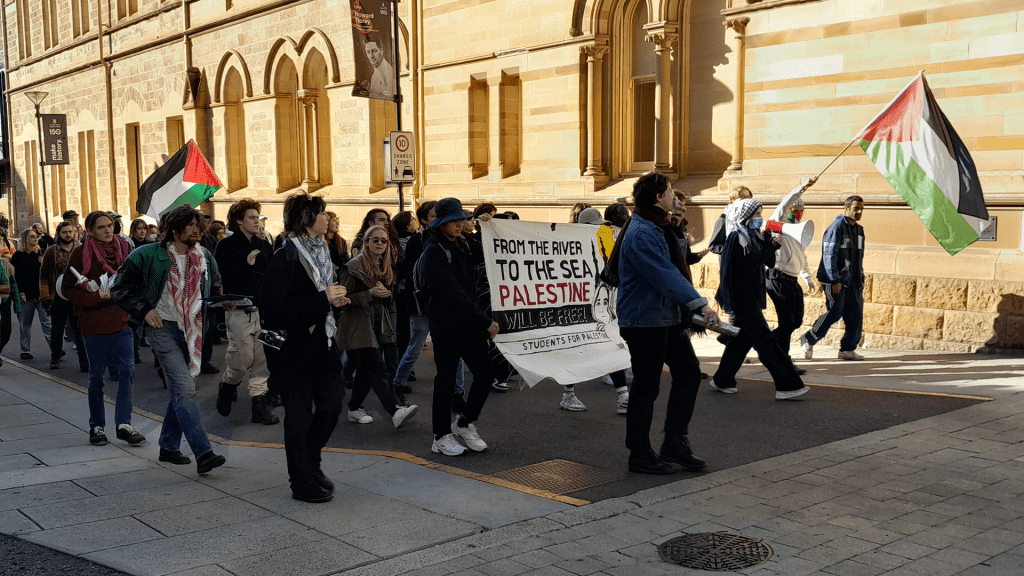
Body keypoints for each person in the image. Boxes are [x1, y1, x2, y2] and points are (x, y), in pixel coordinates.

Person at [612, 173, 718, 475]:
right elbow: (664, 275)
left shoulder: (659, 226)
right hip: (645, 320)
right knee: (647, 386)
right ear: (658, 197)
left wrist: (680, 232)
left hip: (665, 317)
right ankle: (639, 453)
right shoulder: (642, 232)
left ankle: (674, 442)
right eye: (670, 191)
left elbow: (677, 262)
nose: (675, 195)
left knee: (688, 374)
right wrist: (700, 304)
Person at [113, 204, 227, 475]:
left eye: (198, 225)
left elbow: (217, 287)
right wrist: (144, 310)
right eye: (190, 226)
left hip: (193, 330)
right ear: (174, 229)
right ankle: (204, 452)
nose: (197, 230)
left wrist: (222, 303)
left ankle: (168, 446)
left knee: (180, 389)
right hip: (162, 328)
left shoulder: (205, 257)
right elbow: (119, 289)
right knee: (186, 389)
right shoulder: (147, 255)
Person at [261, 193, 349, 503]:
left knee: (332, 405)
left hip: (322, 343)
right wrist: (324, 299)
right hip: (292, 351)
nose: (328, 218)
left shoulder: (323, 251)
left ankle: (310, 463)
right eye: (322, 214)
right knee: (298, 417)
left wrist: (334, 304)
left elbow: (319, 299)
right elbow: (280, 309)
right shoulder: (285, 256)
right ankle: (301, 481)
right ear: (306, 220)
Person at [420, 198, 500, 456]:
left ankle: (464, 423)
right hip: (446, 326)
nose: (458, 225)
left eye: (461, 219)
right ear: (441, 224)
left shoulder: (463, 243)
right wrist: (485, 322)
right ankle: (440, 435)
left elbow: (488, 251)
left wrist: (485, 227)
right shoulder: (434, 251)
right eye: (453, 221)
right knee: (446, 380)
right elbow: (453, 294)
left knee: (486, 373)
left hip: (467, 325)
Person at [710, 198, 810, 400]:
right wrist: (770, 246)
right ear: (745, 216)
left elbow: (770, 263)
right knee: (765, 341)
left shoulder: (753, 236)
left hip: (752, 297)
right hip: (743, 299)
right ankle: (787, 384)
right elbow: (747, 267)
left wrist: (769, 242)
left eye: (760, 214)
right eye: (756, 214)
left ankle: (723, 379)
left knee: (741, 340)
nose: (759, 218)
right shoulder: (737, 238)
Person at [62, 211, 145, 447]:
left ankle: (123, 424)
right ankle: (96, 426)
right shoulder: (80, 253)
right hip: (94, 322)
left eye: (110, 225)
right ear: (90, 230)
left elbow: (134, 278)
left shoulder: (124, 248)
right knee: (96, 377)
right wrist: (94, 296)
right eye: (101, 227)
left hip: (121, 319)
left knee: (127, 371)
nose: (108, 230)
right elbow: (68, 288)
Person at [337, 225, 418, 428]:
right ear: (366, 242)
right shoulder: (354, 266)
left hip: (378, 325)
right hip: (358, 326)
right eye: (376, 240)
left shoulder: (385, 265)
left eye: (384, 240)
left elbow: (390, 292)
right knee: (377, 367)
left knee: (366, 371)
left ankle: (354, 408)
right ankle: (394, 410)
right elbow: (341, 298)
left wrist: (387, 293)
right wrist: (370, 294)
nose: (380, 243)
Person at [393, 201, 467, 402]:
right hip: (422, 305)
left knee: (454, 350)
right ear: (425, 220)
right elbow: (415, 274)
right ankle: (397, 383)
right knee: (415, 347)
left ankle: (457, 392)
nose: (438, 219)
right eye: (433, 215)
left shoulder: (455, 240)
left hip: (446, 307)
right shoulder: (420, 243)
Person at [559, 207, 630, 414]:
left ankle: (623, 395)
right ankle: (568, 394)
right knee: (577, 348)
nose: (598, 229)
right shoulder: (570, 246)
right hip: (578, 305)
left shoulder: (604, 241)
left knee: (611, 343)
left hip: (601, 301)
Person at [214, 199, 279, 425]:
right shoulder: (226, 245)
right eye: (251, 217)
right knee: (242, 358)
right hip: (238, 310)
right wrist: (246, 262)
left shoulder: (265, 245)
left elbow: (272, 275)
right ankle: (228, 385)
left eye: (257, 217)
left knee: (261, 360)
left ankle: (259, 407)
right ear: (239, 220)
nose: (256, 222)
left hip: (263, 309)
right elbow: (223, 276)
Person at [801, 195, 866, 361]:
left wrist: (861, 276)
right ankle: (809, 338)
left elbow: (859, 256)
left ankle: (847, 349)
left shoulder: (859, 230)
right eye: (855, 208)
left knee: (855, 314)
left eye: (861, 209)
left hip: (854, 281)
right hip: (835, 280)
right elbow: (829, 255)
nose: (858, 212)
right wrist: (834, 280)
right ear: (847, 208)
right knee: (835, 312)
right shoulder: (836, 227)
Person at [766, 180, 818, 365]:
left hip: (792, 279)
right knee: (787, 322)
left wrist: (807, 278)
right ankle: (783, 359)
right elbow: (782, 205)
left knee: (796, 321)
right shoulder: (778, 223)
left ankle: (765, 342)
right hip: (778, 277)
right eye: (795, 210)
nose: (798, 213)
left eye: (800, 210)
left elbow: (801, 254)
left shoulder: (799, 227)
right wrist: (801, 188)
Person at [40, 222, 88, 371]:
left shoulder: (82, 250)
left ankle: (84, 362)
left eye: (70, 232)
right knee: (57, 330)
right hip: (58, 298)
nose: (68, 235)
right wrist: (45, 297)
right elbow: (44, 276)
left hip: (77, 297)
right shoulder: (51, 252)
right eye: (64, 232)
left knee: (79, 330)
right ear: (59, 234)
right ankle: (55, 357)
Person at [12, 228, 53, 360]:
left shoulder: (41, 254)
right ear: (25, 239)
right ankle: (25, 350)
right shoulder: (18, 256)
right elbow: (16, 276)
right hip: (26, 295)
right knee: (25, 325)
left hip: (41, 295)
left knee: (47, 323)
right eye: (32, 236)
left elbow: (49, 274)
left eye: (36, 236)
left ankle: (55, 348)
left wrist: (44, 264)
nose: (35, 239)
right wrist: (20, 292)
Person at [0, 256, 20, 367]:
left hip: (4, 301)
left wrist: (17, 305)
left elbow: (11, 285)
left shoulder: (5, 264)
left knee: (6, 332)